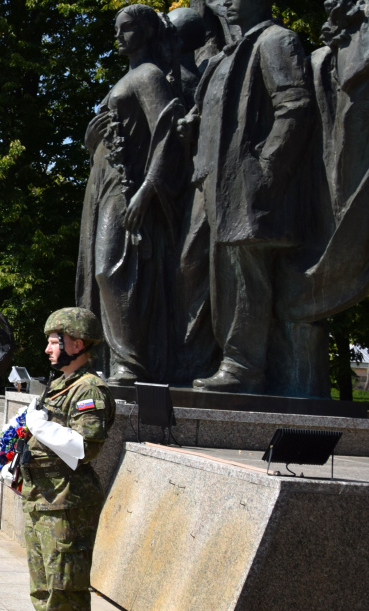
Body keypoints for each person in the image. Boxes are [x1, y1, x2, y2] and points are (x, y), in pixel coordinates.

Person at [189, 0, 312, 392]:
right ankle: (228, 359)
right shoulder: (231, 53)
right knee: (217, 276)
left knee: (247, 278)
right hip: (216, 184)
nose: (225, 2)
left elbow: (294, 106)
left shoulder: (276, 40)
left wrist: (266, 170)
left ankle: (244, 366)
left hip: (248, 183)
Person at [75, 4, 186, 385]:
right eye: (117, 29)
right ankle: (104, 360)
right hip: (102, 183)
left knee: (112, 270)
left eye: (127, 29)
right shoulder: (127, 78)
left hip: (127, 185)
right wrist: (92, 139)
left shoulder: (149, 76)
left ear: (147, 32)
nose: (118, 37)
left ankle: (130, 364)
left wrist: (148, 190)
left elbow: (168, 134)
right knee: (97, 273)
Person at [18, 307, 116, 611]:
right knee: (43, 586)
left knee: (66, 587)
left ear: (76, 342)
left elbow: (85, 446)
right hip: (42, 497)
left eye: (53, 341)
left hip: (67, 503)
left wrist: (39, 426)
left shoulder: (89, 389)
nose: (47, 349)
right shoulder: (61, 383)